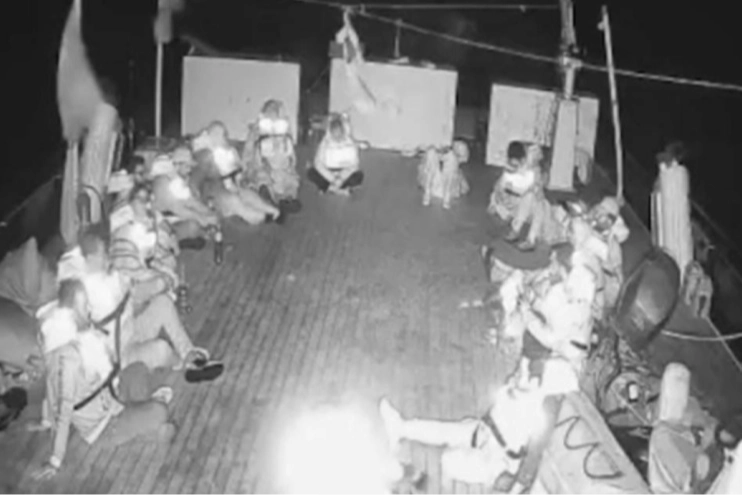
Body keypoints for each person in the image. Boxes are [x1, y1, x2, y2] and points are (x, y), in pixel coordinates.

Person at [28, 279, 177, 480]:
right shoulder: (66, 359)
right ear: (71, 313)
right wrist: (55, 460)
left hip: (113, 400)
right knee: (159, 411)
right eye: (84, 306)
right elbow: (62, 406)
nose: (89, 310)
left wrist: (45, 420)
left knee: (138, 369)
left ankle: (142, 412)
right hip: (105, 426)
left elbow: (51, 385)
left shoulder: (76, 337)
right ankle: (149, 423)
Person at [378, 359, 577, 490]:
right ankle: (400, 428)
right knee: (447, 431)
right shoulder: (524, 385)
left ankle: (430, 473)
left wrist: (511, 483)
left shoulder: (541, 413)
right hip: (483, 432)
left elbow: (527, 463)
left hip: (496, 459)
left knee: (448, 459)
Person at [57, 226, 223, 380]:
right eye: (104, 254)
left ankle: (188, 352)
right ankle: (184, 365)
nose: (108, 258)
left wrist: (158, 283)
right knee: (161, 349)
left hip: (132, 330)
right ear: (89, 258)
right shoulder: (85, 289)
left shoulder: (111, 275)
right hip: (118, 355)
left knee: (163, 303)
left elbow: (134, 296)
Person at [109, 183, 181, 306]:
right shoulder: (126, 231)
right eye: (140, 199)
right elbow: (132, 271)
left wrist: (165, 268)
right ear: (131, 202)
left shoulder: (145, 222)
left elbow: (150, 258)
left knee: (170, 266)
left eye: (146, 199)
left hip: (141, 272)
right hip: (127, 286)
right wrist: (161, 275)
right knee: (162, 282)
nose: (145, 203)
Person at [149, 148, 220, 248]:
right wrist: (202, 218)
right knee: (194, 227)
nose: (189, 170)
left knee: (203, 223)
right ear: (177, 165)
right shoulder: (162, 181)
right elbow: (176, 207)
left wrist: (209, 212)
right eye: (187, 166)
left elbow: (191, 201)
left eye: (190, 167)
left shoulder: (177, 179)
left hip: (176, 218)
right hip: (162, 224)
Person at [243, 100, 302, 213]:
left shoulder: (285, 136)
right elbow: (248, 154)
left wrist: (288, 163)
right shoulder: (257, 133)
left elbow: (292, 158)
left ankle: (287, 200)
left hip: (283, 169)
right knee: (261, 179)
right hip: (263, 168)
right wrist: (248, 168)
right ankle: (267, 198)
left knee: (291, 182)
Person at [308, 113, 364, 196]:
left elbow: (354, 165)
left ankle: (330, 189)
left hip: (344, 174)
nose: (337, 137)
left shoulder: (350, 144)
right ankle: (339, 190)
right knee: (311, 173)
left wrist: (341, 178)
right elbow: (318, 163)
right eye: (334, 133)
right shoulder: (325, 143)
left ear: (343, 131)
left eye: (339, 133)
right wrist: (332, 179)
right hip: (328, 174)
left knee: (358, 176)